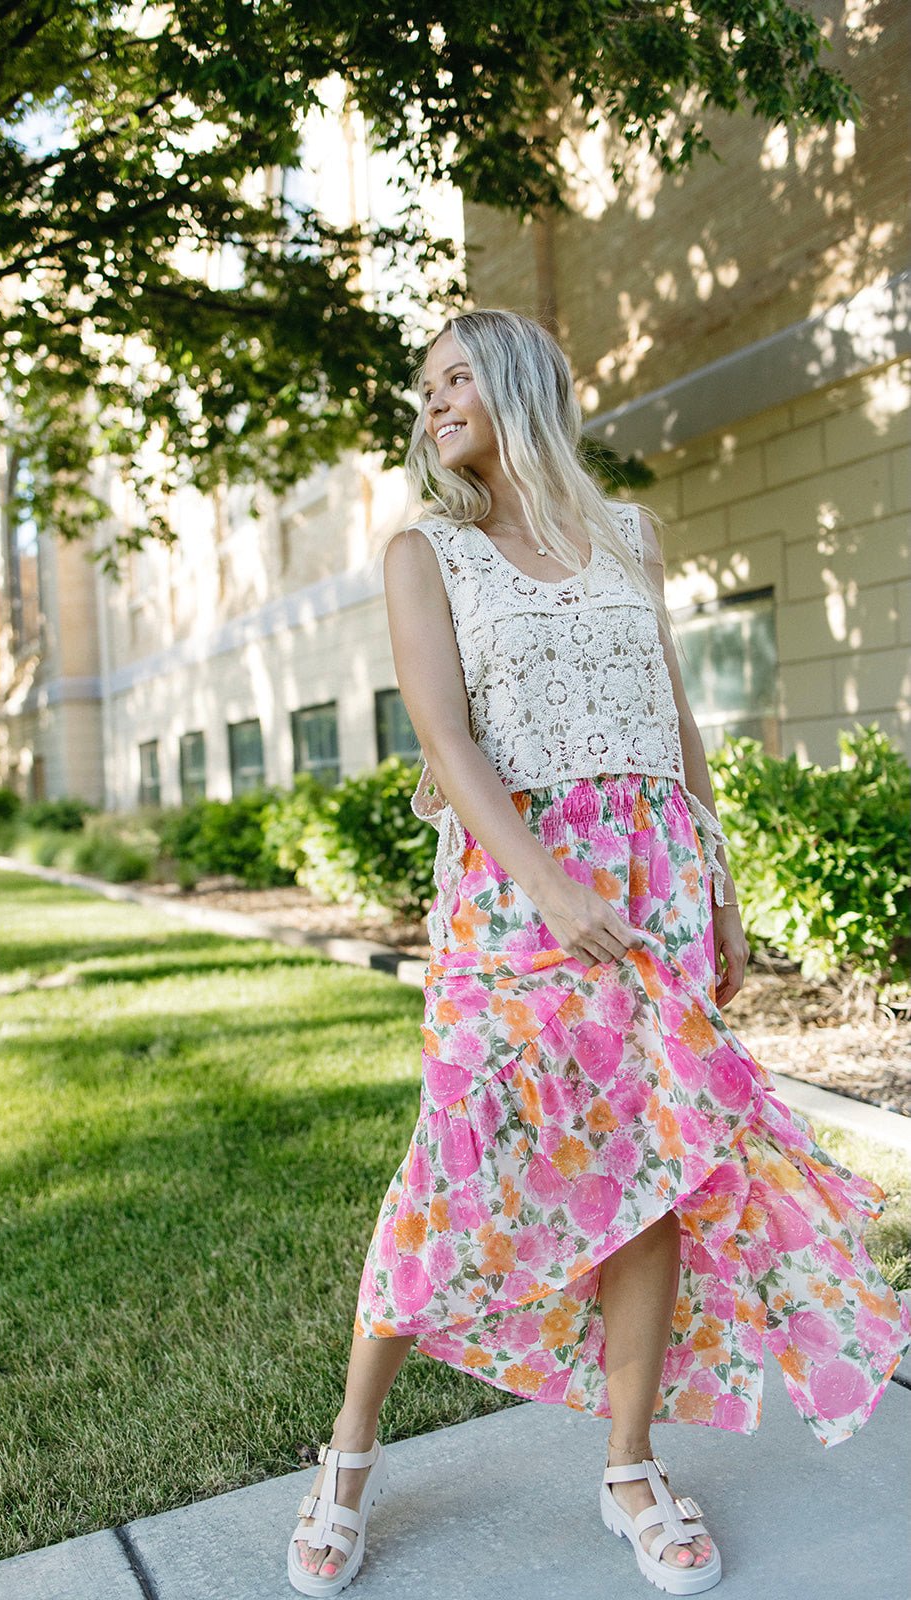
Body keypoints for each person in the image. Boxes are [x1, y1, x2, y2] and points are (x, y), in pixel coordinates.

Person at [286, 309, 911, 1597]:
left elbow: (675, 723)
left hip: (656, 883)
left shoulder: (630, 534)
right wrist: (551, 884)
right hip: (517, 896)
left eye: (455, 377)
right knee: (458, 1162)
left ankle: (630, 1465)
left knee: (654, 1166)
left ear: (519, 384)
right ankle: (349, 1455)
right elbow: (448, 743)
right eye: (426, 387)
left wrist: (723, 892)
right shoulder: (424, 552)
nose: (434, 402)